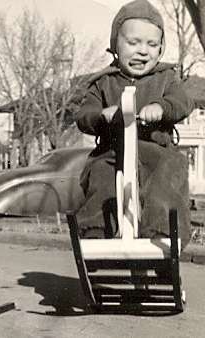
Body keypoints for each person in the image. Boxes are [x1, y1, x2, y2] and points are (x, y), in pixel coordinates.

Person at [76, 0, 194, 248]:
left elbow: (182, 101)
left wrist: (162, 108)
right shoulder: (103, 82)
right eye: (133, 43)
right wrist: (101, 115)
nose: (143, 51)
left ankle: (160, 233)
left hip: (155, 149)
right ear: (115, 45)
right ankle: (96, 231)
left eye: (152, 45)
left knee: (170, 169)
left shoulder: (166, 77)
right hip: (113, 150)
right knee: (99, 174)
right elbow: (84, 114)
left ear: (161, 49)